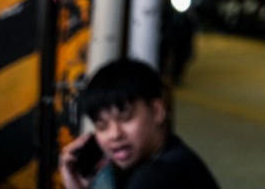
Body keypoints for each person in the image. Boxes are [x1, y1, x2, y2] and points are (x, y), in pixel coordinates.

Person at [59, 57, 221, 189]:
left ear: (157, 111)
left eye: (126, 118)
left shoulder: (157, 176)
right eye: (102, 126)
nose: (114, 134)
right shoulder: (174, 156)